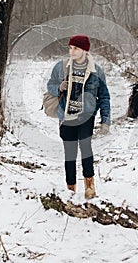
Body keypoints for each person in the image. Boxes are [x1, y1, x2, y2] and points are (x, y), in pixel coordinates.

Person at [47, 34, 111, 199]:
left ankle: (89, 185)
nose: (72, 51)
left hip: (85, 117)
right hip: (66, 117)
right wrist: (59, 87)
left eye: (76, 48)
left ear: (85, 50)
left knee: (86, 150)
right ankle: (70, 188)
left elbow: (104, 97)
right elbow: (50, 85)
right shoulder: (61, 67)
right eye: (70, 48)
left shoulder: (96, 71)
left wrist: (105, 122)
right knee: (70, 153)